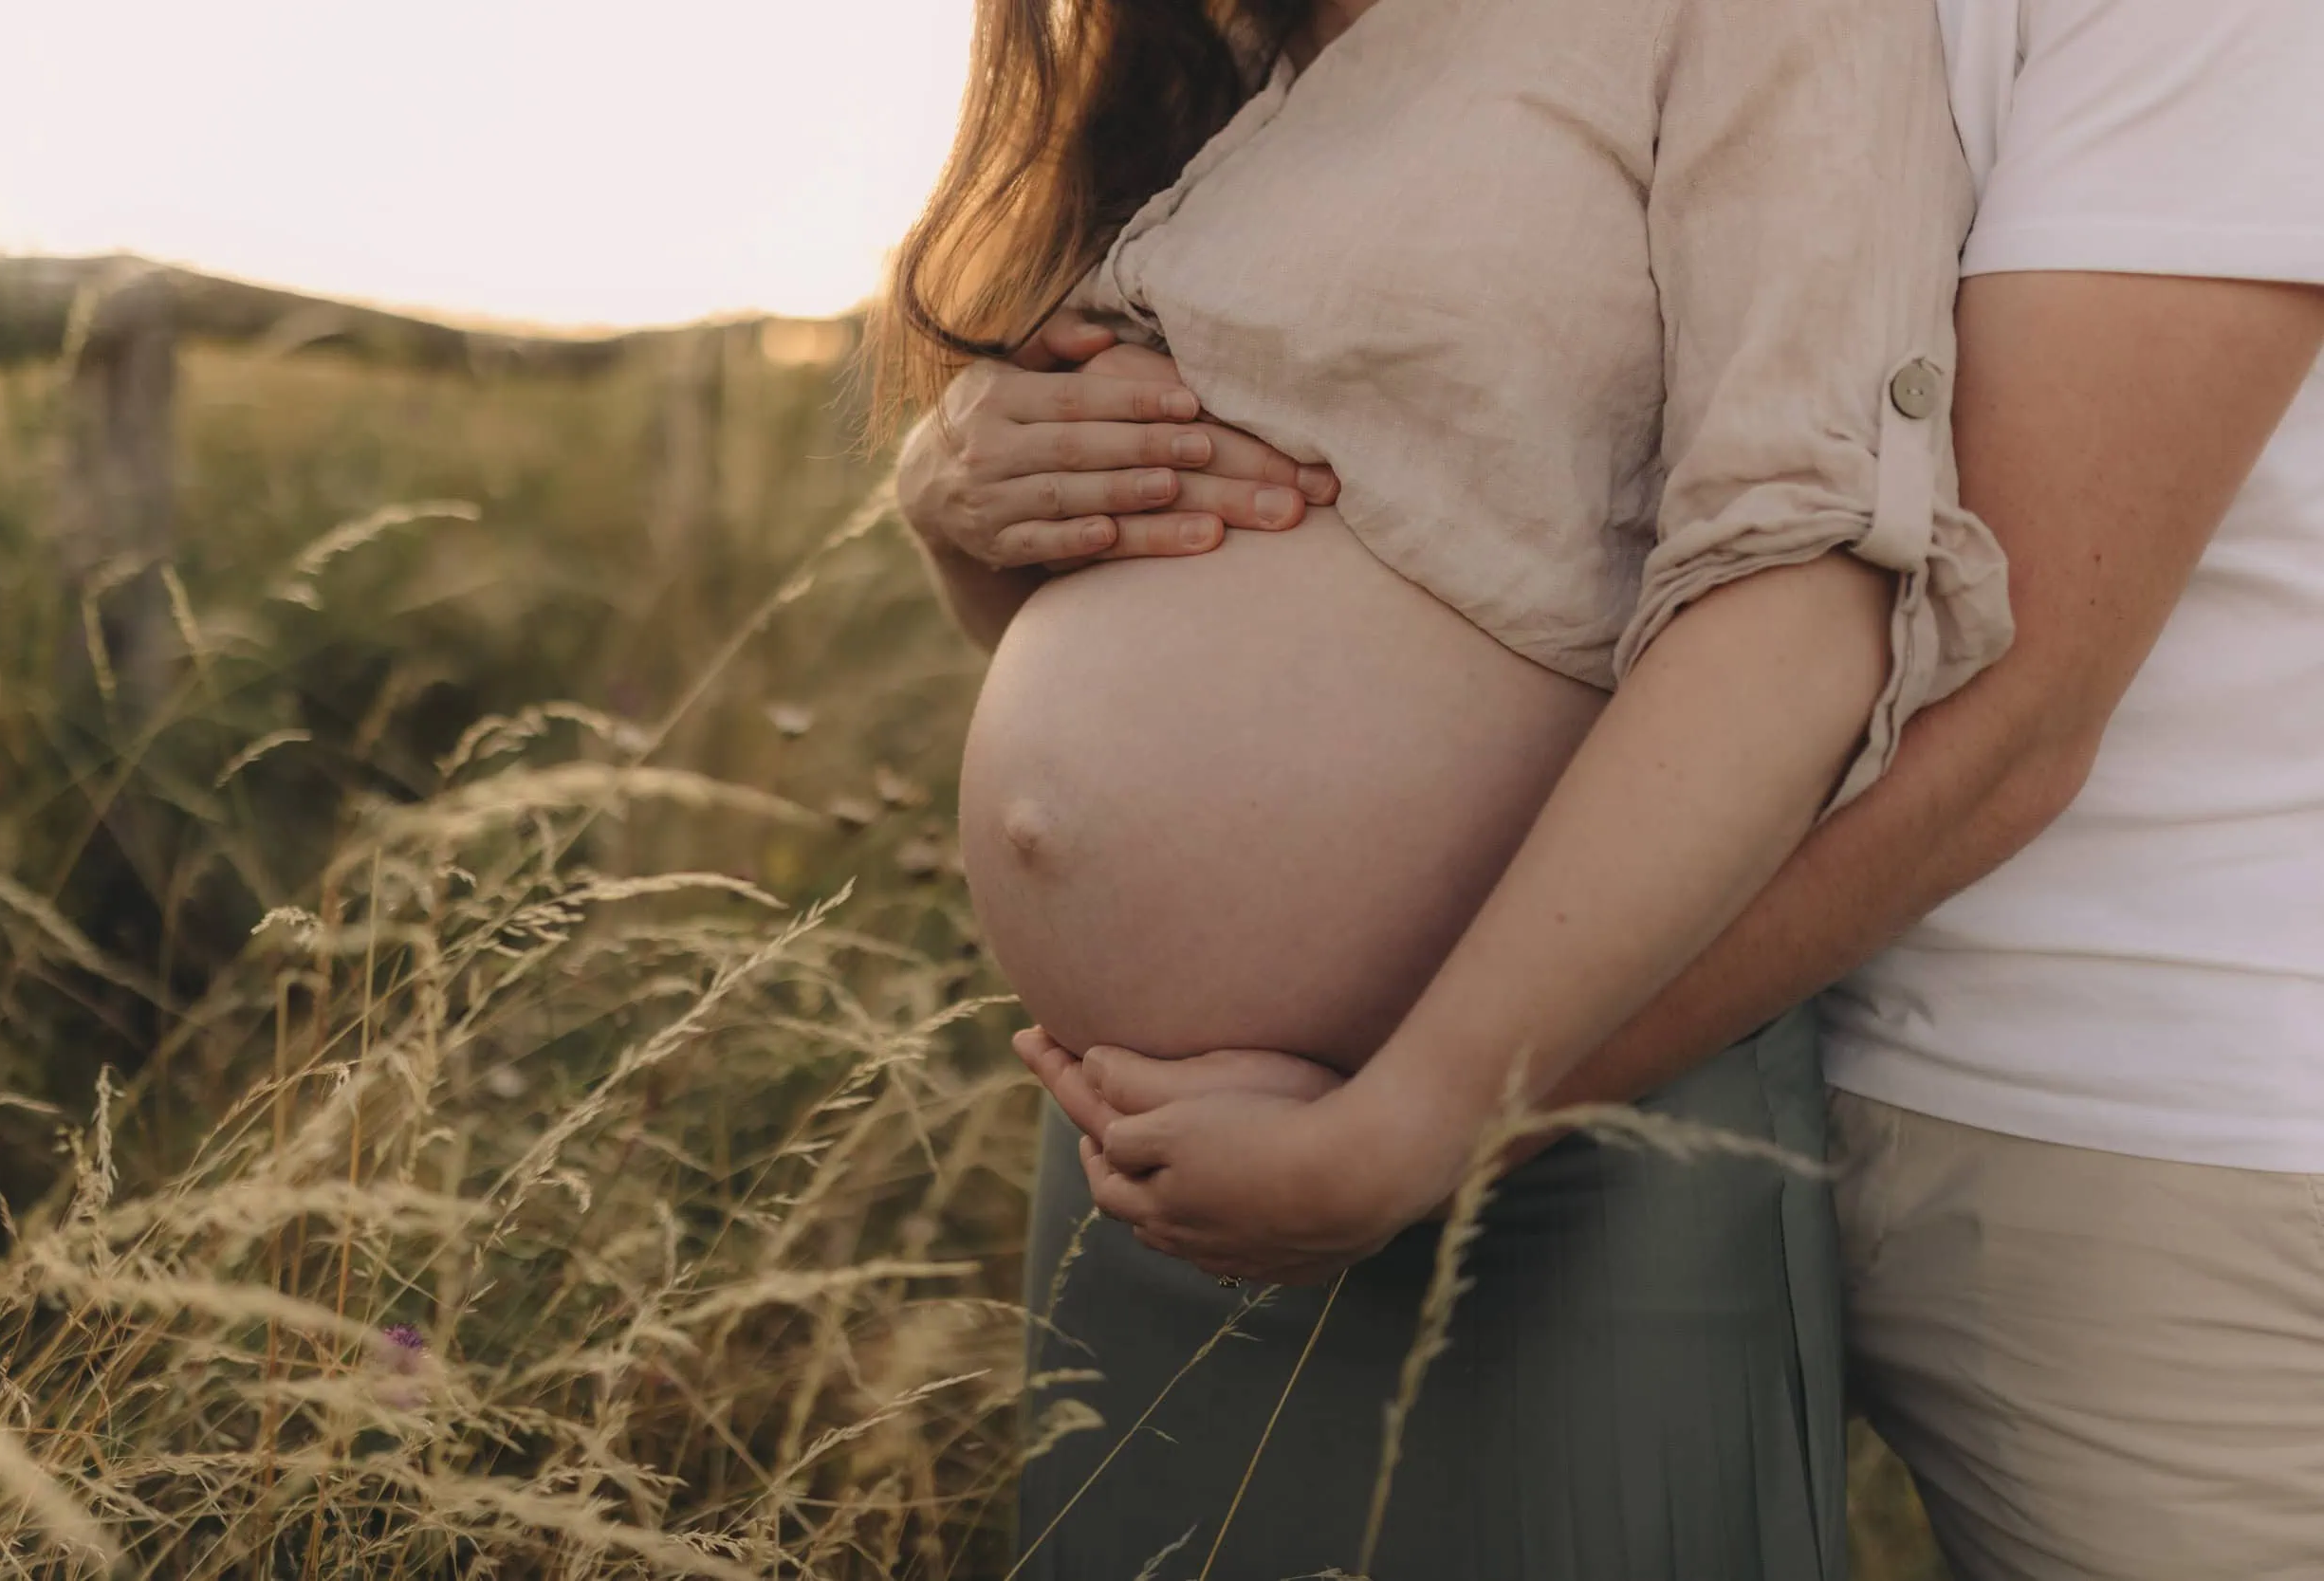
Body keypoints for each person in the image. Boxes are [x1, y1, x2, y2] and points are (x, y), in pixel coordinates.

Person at [905, 1, 2324, 1575]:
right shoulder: (1265, 43)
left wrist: (1431, 1116)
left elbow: (1988, 693)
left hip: (2107, 1097)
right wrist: (972, 503)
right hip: (1245, 1126)